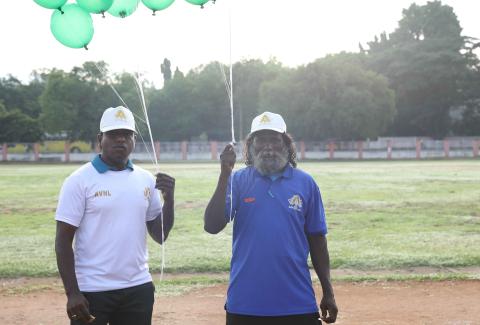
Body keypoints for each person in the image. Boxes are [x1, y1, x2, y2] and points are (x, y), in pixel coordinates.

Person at [204, 111, 338, 325]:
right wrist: (224, 175)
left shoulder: (306, 183)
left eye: (274, 140)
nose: (267, 147)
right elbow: (211, 225)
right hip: (245, 304)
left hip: (297, 304)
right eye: (260, 140)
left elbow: (317, 241)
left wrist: (328, 292)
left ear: (286, 144)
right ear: (250, 147)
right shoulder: (238, 180)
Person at [55, 106, 175, 325]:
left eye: (127, 134)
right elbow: (63, 241)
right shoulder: (79, 180)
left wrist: (170, 199)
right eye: (113, 134)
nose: (120, 140)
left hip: (138, 287)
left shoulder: (146, 179)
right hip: (92, 290)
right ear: (100, 139)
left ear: (134, 139)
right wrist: (72, 293)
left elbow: (160, 235)